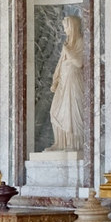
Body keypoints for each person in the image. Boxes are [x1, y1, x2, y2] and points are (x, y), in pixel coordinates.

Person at [47, 14, 85, 151]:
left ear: (73, 27)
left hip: (73, 82)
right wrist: (55, 80)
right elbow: (60, 63)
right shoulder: (67, 44)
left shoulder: (80, 41)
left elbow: (79, 62)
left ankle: (73, 144)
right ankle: (59, 143)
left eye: (66, 28)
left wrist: (67, 50)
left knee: (70, 112)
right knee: (54, 111)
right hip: (63, 82)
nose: (65, 31)